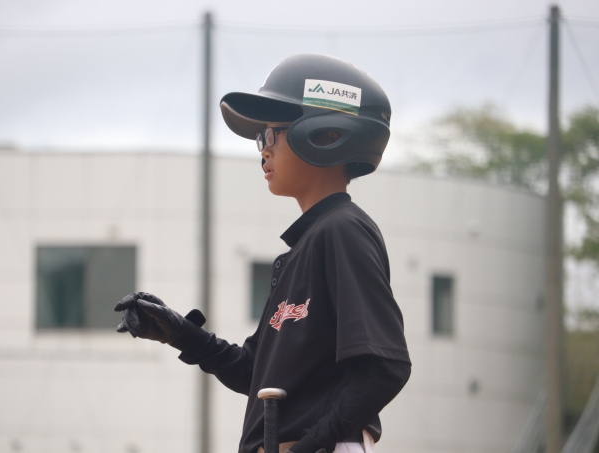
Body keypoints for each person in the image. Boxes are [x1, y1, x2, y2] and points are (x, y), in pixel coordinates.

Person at [115, 53, 411, 453]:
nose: (263, 151)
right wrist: (182, 334)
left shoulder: (343, 230)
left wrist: (312, 445)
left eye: (272, 135)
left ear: (325, 135)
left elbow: (386, 365)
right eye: (261, 139)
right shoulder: (305, 247)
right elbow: (254, 373)